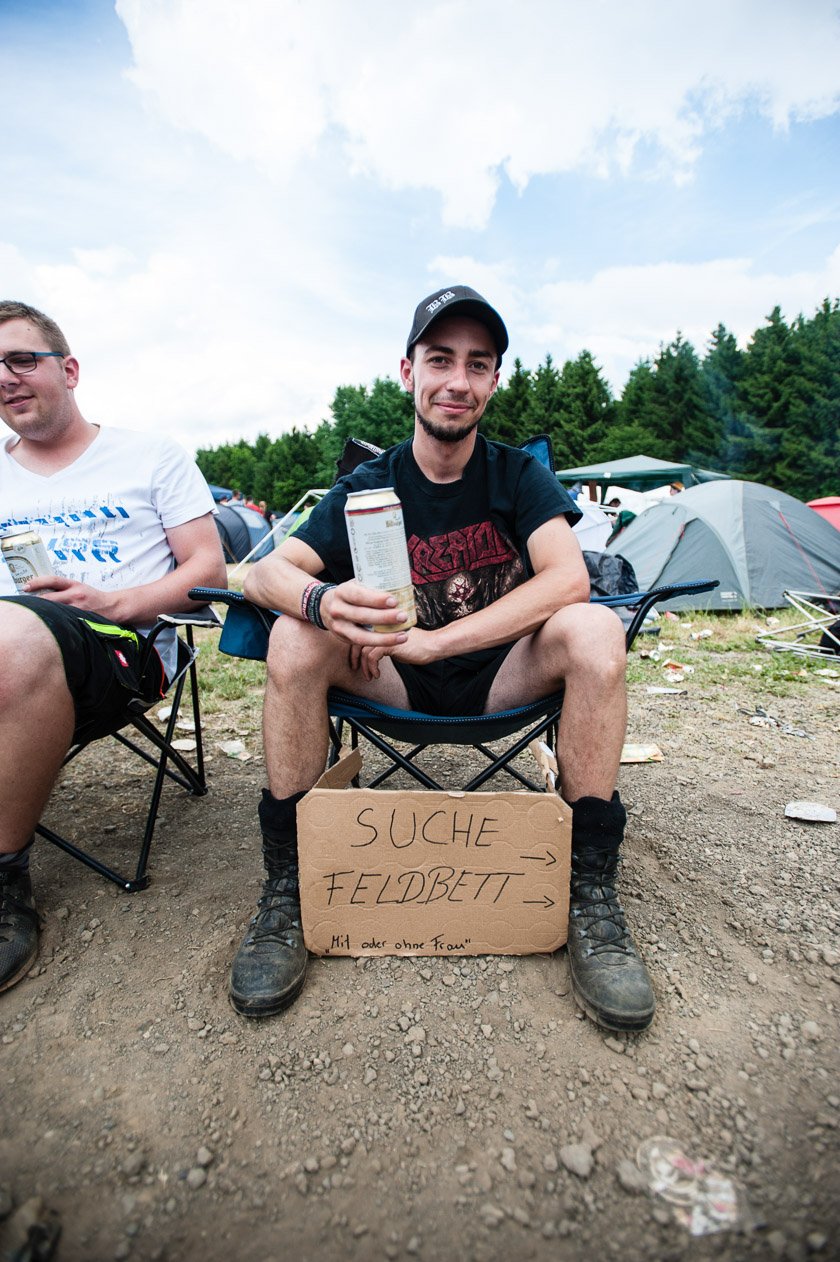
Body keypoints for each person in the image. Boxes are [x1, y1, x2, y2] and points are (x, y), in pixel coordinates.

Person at [231, 284, 656, 1033]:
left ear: (494, 381)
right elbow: (265, 572)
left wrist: (437, 639)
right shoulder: (368, 483)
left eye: (478, 363)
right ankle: (290, 889)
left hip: (499, 677)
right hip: (388, 678)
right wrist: (323, 605)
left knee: (593, 630)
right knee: (292, 634)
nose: (457, 380)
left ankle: (590, 892)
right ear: (407, 372)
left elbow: (569, 578)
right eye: (440, 359)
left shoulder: (516, 475)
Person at [0, 300, 227, 994]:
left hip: (122, 648)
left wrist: (116, 602)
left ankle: (5, 883)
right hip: (11, 643)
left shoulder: (149, 455)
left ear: (68, 369)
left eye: (21, 359)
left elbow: (207, 573)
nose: (6, 377)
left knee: (14, 634)